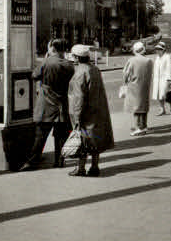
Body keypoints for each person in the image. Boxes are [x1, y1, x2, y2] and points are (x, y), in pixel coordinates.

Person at [21, 39, 74, 170]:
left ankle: (32, 161)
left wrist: (46, 58)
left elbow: (34, 75)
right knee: (60, 135)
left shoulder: (46, 62)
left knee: (40, 136)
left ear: (52, 48)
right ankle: (59, 161)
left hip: (46, 104)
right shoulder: (69, 65)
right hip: (61, 104)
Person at [67, 44, 114, 177]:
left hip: (85, 113)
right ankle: (94, 166)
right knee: (94, 139)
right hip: (97, 110)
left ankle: (80, 167)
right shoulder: (95, 69)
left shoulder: (79, 73)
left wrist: (76, 117)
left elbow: (79, 98)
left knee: (82, 140)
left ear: (76, 57)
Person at [123, 41, 154, 135]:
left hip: (134, 86)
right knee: (143, 106)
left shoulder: (131, 60)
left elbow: (126, 73)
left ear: (135, 50)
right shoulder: (149, 61)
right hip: (145, 86)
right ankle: (144, 126)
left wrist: (125, 82)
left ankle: (138, 127)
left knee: (135, 107)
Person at [151, 41, 171, 115]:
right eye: (157, 49)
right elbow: (155, 68)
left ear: (163, 49)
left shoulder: (167, 57)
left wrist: (169, 79)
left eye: (160, 49)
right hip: (157, 79)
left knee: (165, 94)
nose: (158, 51)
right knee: (158, 94)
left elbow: (169, 68)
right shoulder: (157, 58)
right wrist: (153, 76)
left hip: (164, 79)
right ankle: (162, 109)